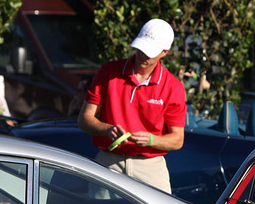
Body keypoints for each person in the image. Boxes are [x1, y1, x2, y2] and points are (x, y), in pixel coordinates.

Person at [78, 18, 187, 193]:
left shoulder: (173, 86)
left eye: (150, 52)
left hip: (151, 167)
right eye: (141, 48)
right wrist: (106, 128)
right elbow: (84, 119)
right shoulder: (108, 72)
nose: (143, 55)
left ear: (164, 52)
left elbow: (177, 140)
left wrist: (151, 139)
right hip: (108, 162)